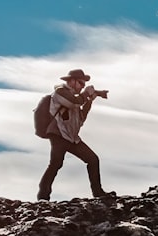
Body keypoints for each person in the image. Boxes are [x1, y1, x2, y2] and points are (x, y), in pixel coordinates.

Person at [37, 69, 110, 200]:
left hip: (72, 138)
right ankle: (43, 197)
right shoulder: (60, 92)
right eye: (81, 83)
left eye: (83, 84)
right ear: (71, 81)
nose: (82, 86)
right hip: (58, 134)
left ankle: (98, 193)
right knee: (56, 164)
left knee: (93, 159)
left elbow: (81, 119)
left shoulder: (76, 98)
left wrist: (90, 101)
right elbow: (73, 102)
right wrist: (86, 94)